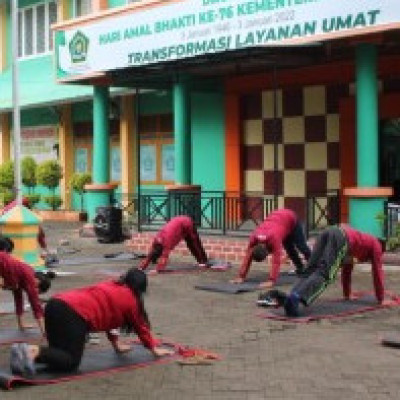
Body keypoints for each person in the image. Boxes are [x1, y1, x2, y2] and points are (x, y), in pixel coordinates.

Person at [9, 268, 173, 376]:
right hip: (72, 313)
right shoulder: (131, 300)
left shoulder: (112, 284)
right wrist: (154, 349)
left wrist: (116, 345)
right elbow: (141, 327)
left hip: (55, 304)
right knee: (70, 362)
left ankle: (23, 354)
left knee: (57, 354)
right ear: (141, 288)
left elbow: (112, 320)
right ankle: (31, 350)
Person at [266, 225, 388, 317]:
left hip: (328, 231)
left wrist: (347, 294)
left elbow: (347, 268)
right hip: (340, 237)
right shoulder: (376, 245)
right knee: (326, 273)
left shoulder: (361, 241)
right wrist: (381, 298)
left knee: (310, 270)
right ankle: (296, 298)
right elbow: (378, 271)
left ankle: (291, 297)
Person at [230, 208, 311, 289]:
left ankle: (316, 266)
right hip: (280, 222)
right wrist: (241, 276)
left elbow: (276, 261)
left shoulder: (274, 239)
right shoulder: (254, 237)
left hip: (290, 218)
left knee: (302, 247)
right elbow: (248, 257)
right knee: (289, 248)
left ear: (268, 251)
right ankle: (300, 268)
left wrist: (271, 280)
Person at [0, 236, 52, 335]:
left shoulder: (24, 278)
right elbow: (35, 304)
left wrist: (21, 324)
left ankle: (22, 325)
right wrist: (44, 331)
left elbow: (18, 298)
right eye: (38, 291)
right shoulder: (29, 277)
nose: (36, 293)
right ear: (38, 282)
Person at [139, 215, 208, 274]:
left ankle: (203, 261)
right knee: (189, 244)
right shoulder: (156, 242)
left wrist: (157, 270)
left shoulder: (165, 243)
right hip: (178, 224)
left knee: (194, 243)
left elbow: (164, 257)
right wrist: (141, 268)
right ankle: (201, 261)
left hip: (186, 223)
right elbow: (150, 255)